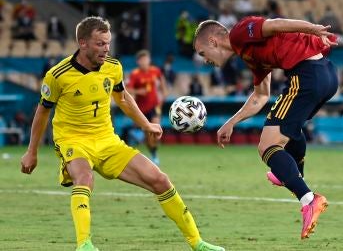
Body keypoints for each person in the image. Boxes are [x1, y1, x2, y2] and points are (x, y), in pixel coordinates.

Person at [20, 16, 224, 251]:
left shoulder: (113, 67)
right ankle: (84, 245)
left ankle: (197, 243)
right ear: (82, 42)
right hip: (72, 140)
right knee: (84, 178)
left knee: (160, 180)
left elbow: (124, 98)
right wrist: (31, 151)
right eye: (100, 44)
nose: (106, 49)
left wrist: (146, 124)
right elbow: (42, 113)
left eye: (107, 43)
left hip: (107, 140)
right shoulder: (58, 75)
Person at [193, 16, 339, 239]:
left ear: (213, 42)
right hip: (325, 75)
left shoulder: (240, 33)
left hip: (307, 75)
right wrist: (232, 122)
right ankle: (288, 174)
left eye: (203, 53)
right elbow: (260, 96)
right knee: (289, 131)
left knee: (267, 146)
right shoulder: (249, 55)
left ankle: (309, 200)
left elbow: (275, 24)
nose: (205, 60)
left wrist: (312, 29)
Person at [127, 49, 167, 165]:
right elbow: (127, 89)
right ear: (138, 61)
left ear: (149, 60)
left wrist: (163, 96)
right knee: (149, 137)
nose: (145, 62)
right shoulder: (135, 74)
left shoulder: (156, 71)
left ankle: (152, 148)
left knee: (155, 128)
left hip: (154, 107)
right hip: (141, 109)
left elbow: (163, 85)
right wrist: (138, 91)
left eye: (146, 59)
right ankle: (153, 152)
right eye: (142, 60)